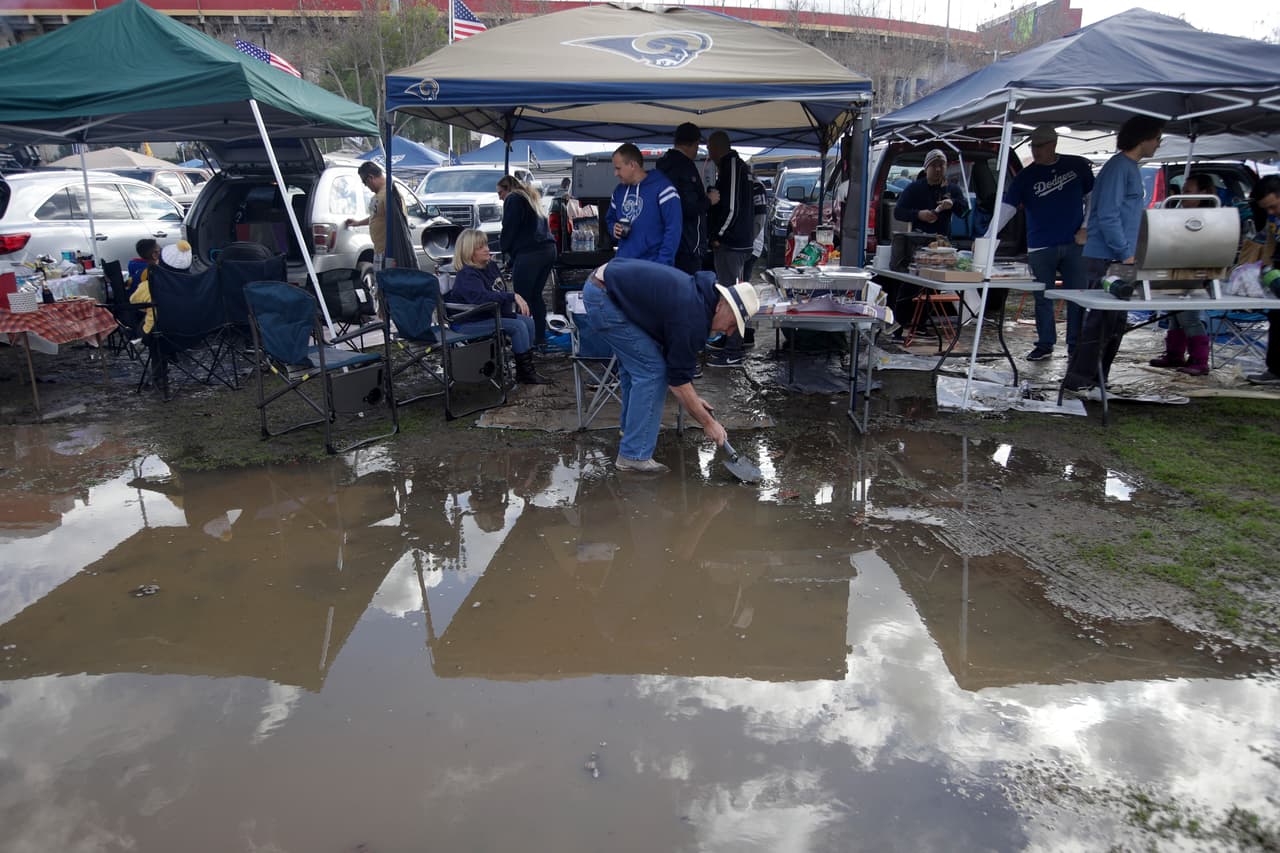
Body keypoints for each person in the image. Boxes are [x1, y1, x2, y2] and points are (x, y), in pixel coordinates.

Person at [582, 258, 760, 473]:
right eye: (732, 324)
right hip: (604, 297)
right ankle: (634, 456)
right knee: (652, 371)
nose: (729, 332)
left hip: (606, 287)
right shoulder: (693, 317)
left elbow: (677, 365)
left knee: (638, 368)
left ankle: (631, 433)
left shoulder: (702, 300)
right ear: (723, 305)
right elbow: (677, 381)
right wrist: (708, 423)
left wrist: (692, 398)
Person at [1063, 115, 1165, 391]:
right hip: (1109, 258)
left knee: (1114, 324)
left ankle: (1097, 380)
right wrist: (1124, 253)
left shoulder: (1129, 168)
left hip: (1119, 256)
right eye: (1157, 138)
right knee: (1100, 323)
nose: (1158, 144)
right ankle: (1080, 382)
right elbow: (1108, 215)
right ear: (1143, 138)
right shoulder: (1119, 168)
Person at [984, 125, 1094, 361]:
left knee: (1077, 296)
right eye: (1033, 146)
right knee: (1042, 297)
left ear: (1053, 145)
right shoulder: (1026, 176)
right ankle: (1045, 344)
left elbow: (1092, 198)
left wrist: (1086, 226)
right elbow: (1007, 208)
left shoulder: (1077, 167)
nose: (1035, 152)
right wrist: (987, 237)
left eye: (1040, 146)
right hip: (1040, 245)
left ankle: (1076, 346)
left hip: (1075, 243)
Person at [448, 228, 550, 385]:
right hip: (468, 321)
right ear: (469, 252)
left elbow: (499, 291)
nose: (487, 249)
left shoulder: (491, 267)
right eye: (480, 247)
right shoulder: (467, 274)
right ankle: (527, 374)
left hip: (489, 315)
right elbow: (482, 298)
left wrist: (509, 308)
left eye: (486, 245)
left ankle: (525, 370)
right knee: (517, 326)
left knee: (528, 322)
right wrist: (512, 297)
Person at [1148, 173, 1217, 375]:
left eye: (1188, 191)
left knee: (1190, 317)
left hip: (1195, 272)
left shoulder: (1207, 219)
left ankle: (1199, 359)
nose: (1183, 195)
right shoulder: (1182, 215)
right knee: (1175, 315)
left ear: (1204, 193)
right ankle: (1175, 354)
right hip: (1177, 269)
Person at [705, 130, 757, 367]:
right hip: (737, 241)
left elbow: (732, 207)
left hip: (732, 243)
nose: (708, 154)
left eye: (709, 149)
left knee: (731, 298)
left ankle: (734, 349)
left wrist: (718, 234)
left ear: (715, 148)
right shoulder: (734, 167)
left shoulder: (732, 166)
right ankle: (732, 341)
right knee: (733, 294)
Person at [497, 173, 558, 347]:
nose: (500, 198)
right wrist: (512, 260)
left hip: (531, 253)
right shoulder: (530, 198)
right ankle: (539, 337)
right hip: (547, 250)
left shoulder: (513, 199)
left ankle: (523, 339)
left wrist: (504, 249)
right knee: (535, 296)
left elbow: (509, 227)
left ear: (507, 189)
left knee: (521, 298)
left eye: (500, 193)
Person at [606, 142, 682, 266]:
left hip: (653, 266)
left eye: (618, 168)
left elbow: (674, 229)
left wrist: (663, 264)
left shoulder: (663, 188)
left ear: (632, 165)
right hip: (623, 265)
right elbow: (610, 219)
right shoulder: (619, 191)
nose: (615, 173)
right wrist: (613, 228)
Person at [655, 122, 709, 275]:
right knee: (687, 291)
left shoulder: (663, 165)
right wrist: (709, 200)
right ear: (695, 143)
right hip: (687, 243)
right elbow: (688, 207)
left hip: (667, 241)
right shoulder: (684, 167)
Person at [1244, 174, 1280, 385]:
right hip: (1277, 271)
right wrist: (1264, 267)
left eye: (1273, 206)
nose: (1271, 212)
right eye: (1266, 209)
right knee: (1276, 319)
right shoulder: (1274, 219)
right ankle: (1275, 370)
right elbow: (1269, 241)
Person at [893, 148, 969, 236]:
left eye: (941, 165)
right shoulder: (914, 188)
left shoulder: (952, 188)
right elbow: (898, 213)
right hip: (918, 239)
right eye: (933, 165)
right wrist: (918, 214)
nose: (938, 169)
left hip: (943, 242)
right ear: (926, 169)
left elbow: (965, 213)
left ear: (946, 167)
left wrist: (953, 203)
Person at [129, 239, 193, 335]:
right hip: (193, 334)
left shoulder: (149, 285)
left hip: (160, 337)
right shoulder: (196, 283)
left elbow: (133, 301)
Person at [343, 161, 403, 263]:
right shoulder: (378, 195)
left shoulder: (390, 195)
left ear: (370, 178)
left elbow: (397, 222)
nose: (366, 186)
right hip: (379, 250)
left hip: (389, 252)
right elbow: (376, 216)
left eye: (364, 182)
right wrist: (358, 223)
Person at [742, 171, 769, 283]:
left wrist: (748, 241)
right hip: (746, 243)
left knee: (742, 280)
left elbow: (759, 219)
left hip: (750, 244)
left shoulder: (756, 187)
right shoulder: (753, 185)